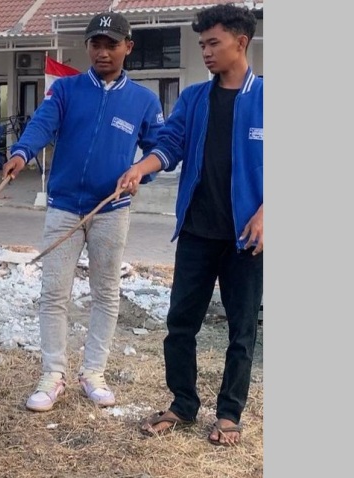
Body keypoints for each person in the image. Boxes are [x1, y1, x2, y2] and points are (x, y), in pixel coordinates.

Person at [3, 12, 164, 413]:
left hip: (112, 209)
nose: (103, 51)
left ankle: (93, 372)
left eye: (112, 44)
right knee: (53, 294)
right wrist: (21, 153)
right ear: (87, 47)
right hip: (63, 208)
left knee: (105, 294)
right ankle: (52, 374)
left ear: (128, 46)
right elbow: (42, 123)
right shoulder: (67, 90)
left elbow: (161, 149)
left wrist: (139, 174)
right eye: (96, 43)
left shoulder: (143, 100)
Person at [117, 4, 262, 447]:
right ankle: (183, 403)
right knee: (181, 322)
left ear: (241, 42)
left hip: (246, 237)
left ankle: (229, 413)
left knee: (242, 328)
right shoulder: (195, 97)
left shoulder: (269, 99)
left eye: (213, 43)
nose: (205, 52)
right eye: (201, 44)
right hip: (197, 232)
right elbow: (171, 143)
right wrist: (141, 167)